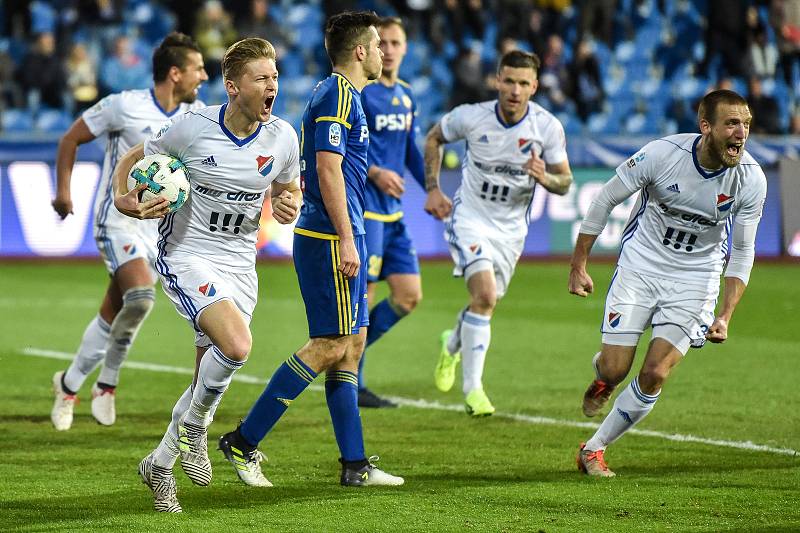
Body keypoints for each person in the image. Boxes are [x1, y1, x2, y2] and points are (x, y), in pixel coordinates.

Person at [113, 37, 302, 512]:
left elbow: (287, 192)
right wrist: (123, 198)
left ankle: (159, 465)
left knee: (208, 370)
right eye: (261, 78)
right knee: (237, 345)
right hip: (188, 252)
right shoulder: (191, 128)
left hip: (240, 262)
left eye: (275, 77)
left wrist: (287, 204)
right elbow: (134, 157)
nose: (271, 85)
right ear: (233, 86)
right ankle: (198, 424)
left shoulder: (282, 137)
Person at [217, 10, 404, 488]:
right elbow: (327, 169)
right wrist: (345, 236)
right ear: (360, 50)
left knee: (352, 347)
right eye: (379, 44)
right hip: (329, 236)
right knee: (330, 345)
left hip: (347, 231)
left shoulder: (344, 95)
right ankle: (244, 439)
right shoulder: (338, 95)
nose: (385, 53)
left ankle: (355, 465)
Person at [569, 89, 766, 477]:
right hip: (641, 266)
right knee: (614, 369)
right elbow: (605, 199)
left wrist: (725, 314)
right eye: (731, 123)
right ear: (706, 126)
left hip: (696, 278)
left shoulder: (750, 178)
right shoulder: (663, 155)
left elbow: (743, 251)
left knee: (656, 372)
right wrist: (579, 264)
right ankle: (604, 377)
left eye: (746, 124)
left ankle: (593, 449)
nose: (740, 133)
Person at [50, 32, 208, 432]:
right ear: (175, 74)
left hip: (158, 232)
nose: (204, 77)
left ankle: (68, 385)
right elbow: (71, 138)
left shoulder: (197, 114)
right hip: (117, 220)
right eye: (198, 69)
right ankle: (106, 385)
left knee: (115, 308)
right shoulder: (124, 106)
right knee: (139, 298)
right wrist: (64, 193)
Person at [424, 50, 573, 416]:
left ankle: (452, 342)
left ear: (535, 87)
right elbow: (434, 137)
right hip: (471, 218)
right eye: (509, 81)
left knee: (485, 303)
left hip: (511, 232)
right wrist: (432, 187)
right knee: (486, 297)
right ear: (497, 81)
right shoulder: (472, 117)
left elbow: (566, 181)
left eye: (524, 83)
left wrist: (545, 178)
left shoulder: (547, 127)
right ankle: (474, 391)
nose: (515, 90)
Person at [356, 16, 426, 408]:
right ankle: (353, 381)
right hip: (366, 211)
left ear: (405, 48)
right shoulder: (363, 95)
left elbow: (412, 152)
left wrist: (432, 189)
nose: (390, 48)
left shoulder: (407, 95)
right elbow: (347, 149)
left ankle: (349, 355)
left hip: (394, 212)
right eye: (383, 42)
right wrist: (376, 172)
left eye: (396, 42)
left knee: (408, 295)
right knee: (362, 300)